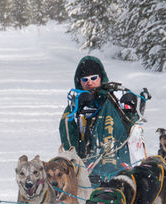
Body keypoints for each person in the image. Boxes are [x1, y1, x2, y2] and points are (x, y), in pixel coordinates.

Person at [59, 55, 149, 184]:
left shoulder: (116, 97)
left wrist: (132, 108)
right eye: (85, 79)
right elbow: (67, 134)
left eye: (93, 78)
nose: (89, 82)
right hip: (90, 166)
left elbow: (133, 127)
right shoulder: (74, 106)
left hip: (121, 161)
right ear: (79, 82)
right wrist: (78, 166)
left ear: (101, 78)